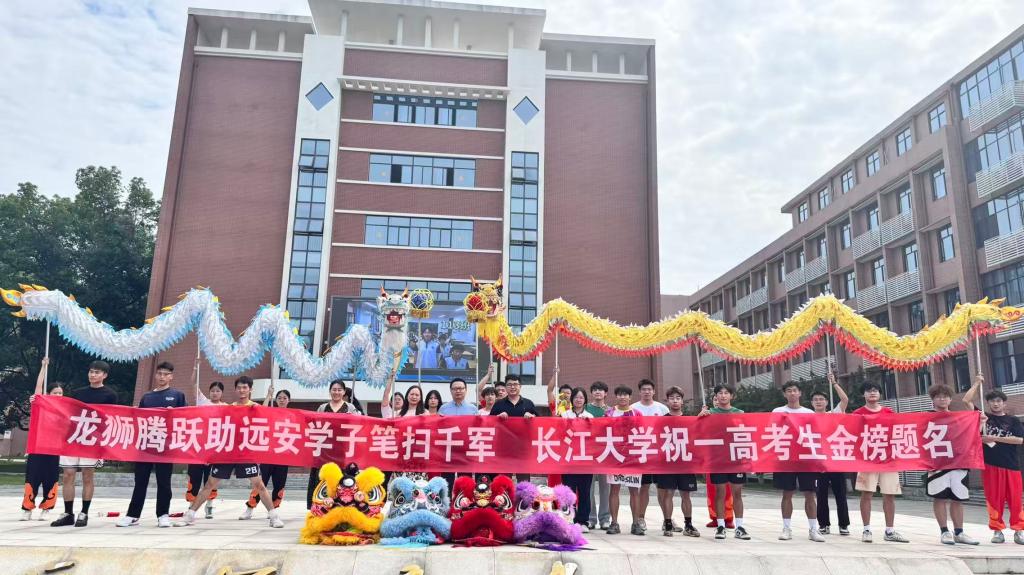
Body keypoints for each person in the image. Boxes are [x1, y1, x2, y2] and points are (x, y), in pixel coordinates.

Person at [176, 376, 283, 528]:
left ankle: (274, 517)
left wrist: (269, 396)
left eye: (245, 387)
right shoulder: (228, 408)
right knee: (209, 484)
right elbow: (214, 424)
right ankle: (190, 515)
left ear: (250, 390)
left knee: (259, 485)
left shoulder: (254, 407)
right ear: (235, 390)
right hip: (227, 451)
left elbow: (263, 416)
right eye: (239, 387)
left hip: (245, 452)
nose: (242, 390)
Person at [116, 361, 187, 528]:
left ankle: (163, 515)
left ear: (171, 376)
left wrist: (174, 413)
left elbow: (185, 418)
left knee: (164, 482)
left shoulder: (177, 395)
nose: (162, 377)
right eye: (159, 373)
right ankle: (133, 515)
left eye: (165, 374)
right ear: (156, 375)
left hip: (165, 446)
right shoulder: (147, 397)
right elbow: (139, 420)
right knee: (140, 481)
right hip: (145, 445)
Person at [51, 360, 119, 528]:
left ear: (104, 375)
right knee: (68, 474)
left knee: (87, 475)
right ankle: (68, 513)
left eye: (97, 372)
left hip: (93, 440)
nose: (92, 375)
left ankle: (84, 513)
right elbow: (66, 412)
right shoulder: (77, 393)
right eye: (91, 371)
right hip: (73, 438)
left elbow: (113, 417)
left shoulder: (110, 395)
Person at [964, 377, 1024, 545]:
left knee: (1015, 499)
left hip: (1011, 465)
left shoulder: (1013, 420)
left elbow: (1019, 440)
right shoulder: (984, 417)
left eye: (998, 401)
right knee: (993, 499)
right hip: (990, 465)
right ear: (988, 403)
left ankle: (1019, 531)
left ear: (1004, 403)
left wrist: (993, 438)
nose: (995, 404)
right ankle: (997, 531)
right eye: (992, 401)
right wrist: (977, 382)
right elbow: (966, 400)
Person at [925, 383, 979, 546]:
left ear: (950, 399)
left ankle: (959, 532)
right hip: (937, 464)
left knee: (958, 498)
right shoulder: (926, 416)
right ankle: (944, 531)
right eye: (938, 397)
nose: (942, 399)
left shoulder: (959, 417)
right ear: (933, 399)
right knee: (939, 497)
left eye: (945, 396)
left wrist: (980, 421)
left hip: (959, 462)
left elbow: (972, 433)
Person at [854, 380, 908, 543]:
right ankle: (866, 529)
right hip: (867, 460)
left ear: (880, 394)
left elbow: (897, 433)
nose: (872, 393)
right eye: (869, 390)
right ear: (863, 394)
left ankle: (889, 531)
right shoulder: (858, 414)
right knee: (866, 494)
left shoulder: (888, 412)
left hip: (888, 459)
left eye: (875, 390)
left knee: (889, 495)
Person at [771, 381, 824, 542]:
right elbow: (771, 432)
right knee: (787, 493)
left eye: (795, 390)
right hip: (786, 458)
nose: (792, 393)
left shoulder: (809, 413)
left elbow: (817, 435)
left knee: (810, 494)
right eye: (789, 390)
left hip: (806, 459)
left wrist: (819, 458)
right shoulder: (778, 411)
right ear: (784, 394)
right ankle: (786, 528)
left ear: (800, 393)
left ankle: (813, 529)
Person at [698, 383, 750, 540]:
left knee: (737, 493)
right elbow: (699, 432)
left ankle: (739, 526)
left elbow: (747, 434)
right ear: (716, 396)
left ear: (731, 396)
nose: (723, 395)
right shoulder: (710, 413)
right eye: (719, 393)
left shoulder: (740, 413)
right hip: (717, 459)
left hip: (736, 458)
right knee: (720, 492)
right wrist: (700, 417)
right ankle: (720, 526)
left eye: (726, 393)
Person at [307, 380, 362, 508]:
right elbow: (315, 426)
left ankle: (341, 507)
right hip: (324, 450)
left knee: (342, 480)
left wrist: (351, 418)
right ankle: (320, 508)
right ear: (330, 391)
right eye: (334, 389)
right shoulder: (322, 407)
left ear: (344, 392)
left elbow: (358, 425)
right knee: (322, 479)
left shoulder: (350, 407)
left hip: (342, 451)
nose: (336, 392)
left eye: (339, 390)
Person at [241, 385, 291, 520]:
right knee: (260, 482)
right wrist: (269, 395)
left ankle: (273, 509)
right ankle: (250, 508)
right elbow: (261, 410)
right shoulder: (271, 412)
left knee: (279, 485)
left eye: (284, 398)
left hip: (283, 456)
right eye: (279, 398)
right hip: (268, 454)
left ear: (289, 400)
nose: (282, 400)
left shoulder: (293, 415)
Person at [656, 386, 700, 537]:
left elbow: (697, 438)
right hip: (668, 463)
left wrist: (703, 417)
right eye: (672, 398)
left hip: (685, 463)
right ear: (667, 401)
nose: (675, 401)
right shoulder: (661, 420)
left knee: (685, 495)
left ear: (682, 401)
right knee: (668, 493)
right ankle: (668, 524)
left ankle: (688, 525)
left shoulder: (690, 420)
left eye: (678, 398)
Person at [22, 358, 63, 521]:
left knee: (51, 479)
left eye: (60, 393)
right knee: (32, 478)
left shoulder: (64, 410)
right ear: (48, 394)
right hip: (37, 448)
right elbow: (38, 388)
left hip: (53, 450)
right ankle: (27, 508)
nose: (58, 395)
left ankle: (47, 508)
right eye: (55, 393)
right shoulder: (40, 405)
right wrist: (43, 367)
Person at [811, 372, 850, 535]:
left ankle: (843, 525)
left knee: (840, 494)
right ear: (812, 403)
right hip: (818, 463)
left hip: (835, 461)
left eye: (821, 399)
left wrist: (834, 383)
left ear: (826, 402)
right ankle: (823, 524)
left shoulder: (833, 414)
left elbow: (844, 400)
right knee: (821, 496)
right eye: (816, 400)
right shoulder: (808, 418)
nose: (819, 402)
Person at [630, 378, 668, 533]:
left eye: (649, 389)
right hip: (641, 454)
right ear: (640, 392)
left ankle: (667, 520)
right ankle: (641, 518)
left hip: (659, 454)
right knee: (643, 487)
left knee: (662, 488)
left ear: (654, 391)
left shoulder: (662, 409)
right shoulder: (633, 408)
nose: (646, 392)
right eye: (644, 389)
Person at [604, 385, 642, 535]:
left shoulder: (637, 413)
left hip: (633, 457)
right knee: (614, 489)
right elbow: (603, 431)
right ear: (616, 396)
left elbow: (643, 432)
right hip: (615, 456)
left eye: (625, 394)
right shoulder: (609, 413)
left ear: (630, 397)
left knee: (634, 490)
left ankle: (636, 523)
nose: (622, 397)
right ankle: (614, 523)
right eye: (620, 394)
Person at [186, 380, 224, 519]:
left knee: (211, 479)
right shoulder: (203, 402)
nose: (215, 393)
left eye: (218, 391)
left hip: (215, 448)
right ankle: (192, 505)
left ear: (222, 393)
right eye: (212, 391)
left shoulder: (226, 407)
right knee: (194, 476)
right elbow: (194, 384)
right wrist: (195, 370)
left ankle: (209, 505)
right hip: (199, 446)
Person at [490, 374, 537, 483]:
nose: (512, 387)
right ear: (506, 387)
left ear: (520, 386)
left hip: (523, 448)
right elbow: (489, 423)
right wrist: (497, 417)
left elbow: (539, 423)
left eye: (515, 384)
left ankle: (523, 495)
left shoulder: (528, 403)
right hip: (504, 449)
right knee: (504, 481)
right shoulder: (498, 404)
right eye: (509, 384)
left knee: (524, 481)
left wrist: (532, 417)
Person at [560, 387, 593, 533]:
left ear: (585, 400)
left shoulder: (590, 416)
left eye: (581, 397)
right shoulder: (565, 414)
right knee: (569, 491)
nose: (578, 400)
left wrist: (588, 423)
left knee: (585, 491)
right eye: (576, 397)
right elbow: (559, 433)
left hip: (585, 460)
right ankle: (569, 518)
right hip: (568, 459)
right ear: (571, 399)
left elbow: (594, 436)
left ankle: (583, 520)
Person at [586, 381, 612, 530]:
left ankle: (605, 518)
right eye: (595, 390)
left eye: (601, 390)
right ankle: (590, 518)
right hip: (589, 453)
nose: (597, 392)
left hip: (605, 453)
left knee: (605, 488)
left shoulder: (610, 411)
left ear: (605, 393)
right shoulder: (586, 408)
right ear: (591, 393)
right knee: (588, 488)